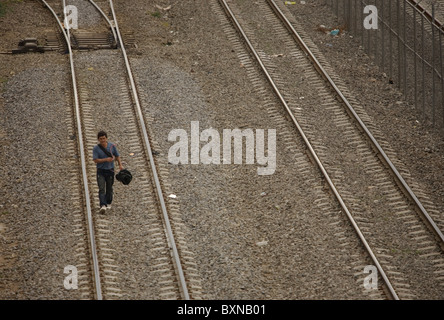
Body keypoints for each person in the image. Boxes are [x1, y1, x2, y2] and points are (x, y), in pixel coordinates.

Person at [93, 131, 123, 213]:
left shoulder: (112, 146)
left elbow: (117, 155)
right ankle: (103, 205)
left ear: (106, 138)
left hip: (110, 171)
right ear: (98, 139)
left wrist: (120, 165)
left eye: (104, 138)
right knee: (101, 188)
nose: (102, 140)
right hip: (101, 171)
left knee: (109, 188)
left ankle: (108, 201)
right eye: (101, 139)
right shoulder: (96, 148)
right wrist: (106, 159)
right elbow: (95, 160)